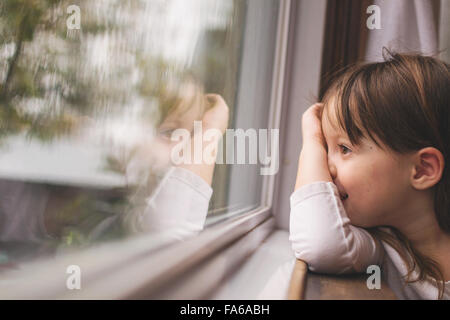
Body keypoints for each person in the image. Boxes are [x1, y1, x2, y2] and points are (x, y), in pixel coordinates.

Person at [290, 50, 450, 299]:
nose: (326, 168)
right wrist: (310, 141)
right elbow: (320, 242)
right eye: (324, 149)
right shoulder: (383, 248)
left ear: (422, 170)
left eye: (344, 149)